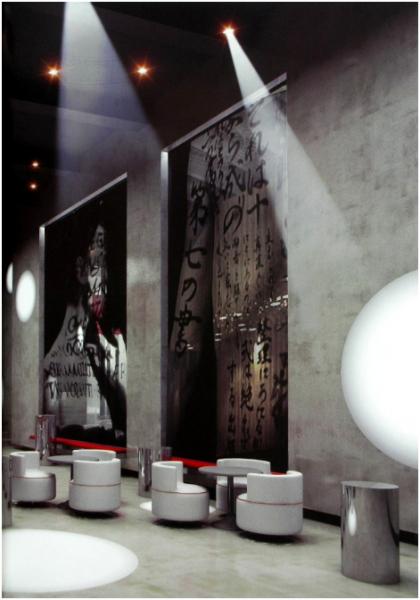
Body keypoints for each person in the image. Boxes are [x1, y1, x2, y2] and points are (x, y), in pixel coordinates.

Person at [43, 222, 127, 445]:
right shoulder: (64, 314)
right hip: (71, 429)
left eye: (103, 247)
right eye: (95, 246)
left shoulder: (104, 328)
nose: (100, 256)